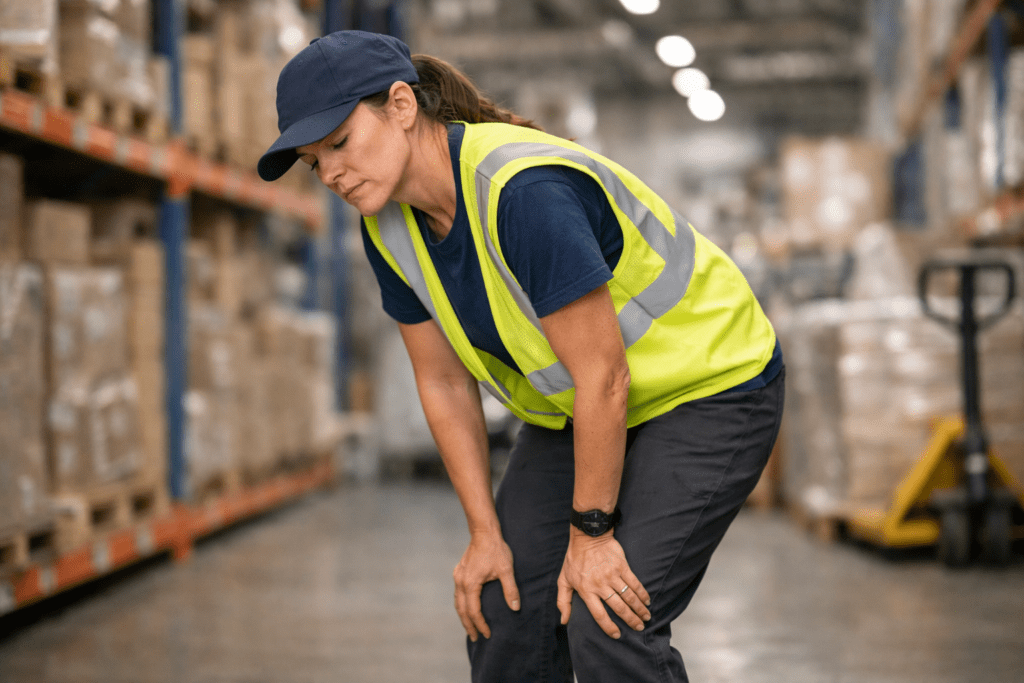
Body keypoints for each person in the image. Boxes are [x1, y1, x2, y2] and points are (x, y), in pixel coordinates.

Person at [258, 30, 784, 683]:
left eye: (338, 143)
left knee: (608, 617)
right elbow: (444, 383)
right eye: (314, 162)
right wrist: (484, 534)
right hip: (581, 411)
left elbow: (604, 374)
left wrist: (590, 535)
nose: (331, 173)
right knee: (498, 603)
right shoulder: (388, 228)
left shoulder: (522, 191)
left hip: (710, 386)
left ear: (401, 105)